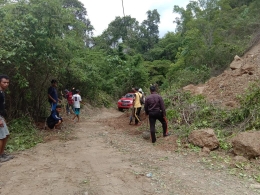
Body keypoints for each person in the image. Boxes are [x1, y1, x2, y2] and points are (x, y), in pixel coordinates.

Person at [0, 74, 13, 163]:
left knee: (6, 135)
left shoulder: (2, 92)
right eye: (4, 82)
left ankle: (2, 153)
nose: (6, 84)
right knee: (1, 137)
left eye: (7, 82)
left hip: (1, 116)